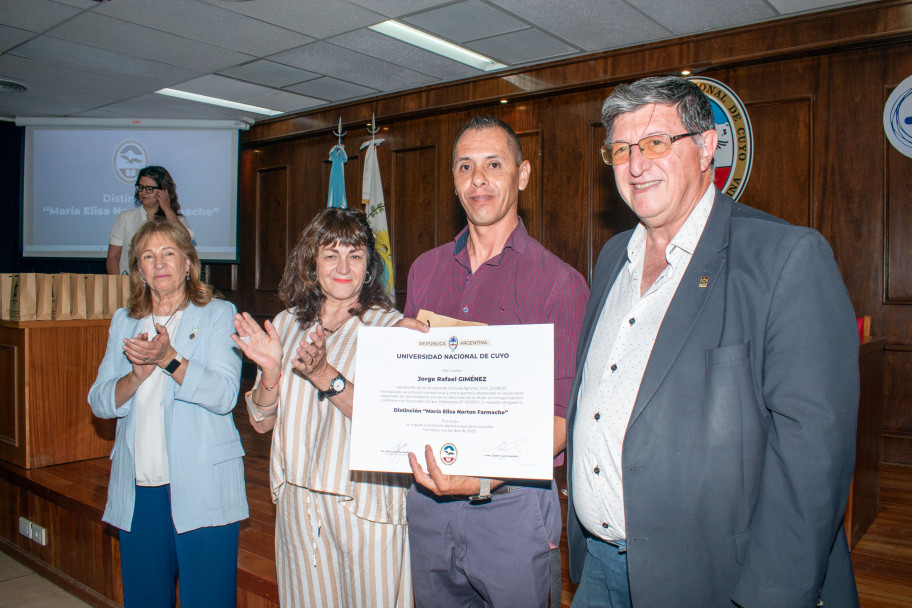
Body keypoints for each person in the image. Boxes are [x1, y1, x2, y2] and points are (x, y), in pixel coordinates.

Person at [566, 76, 860, 607]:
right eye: (620, 149)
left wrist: (770, 595)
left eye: (656, 142)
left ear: (705, 147)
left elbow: (814, 457)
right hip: (600, 571)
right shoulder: (613, 257)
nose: (636, 164)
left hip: (716, 581)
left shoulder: (786, 257)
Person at [401, 115, 589, 607]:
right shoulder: (425, 269)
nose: (478, 179)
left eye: (493, 164)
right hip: (427, 504)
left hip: (512, 509)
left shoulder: (559, 283)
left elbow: (565, 416)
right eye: (465, 166)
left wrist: (481, 477)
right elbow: (411, 393)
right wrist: (401, 357)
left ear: (522, 175)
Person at [233, 207, 412, 608]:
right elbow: (261, 422)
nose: (343, 266)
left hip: (364, 507)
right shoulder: (285, 323)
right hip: (298, 505)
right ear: (312, 264)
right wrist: (270, 372)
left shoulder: (391, 329)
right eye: (331, 254)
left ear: (369, 266)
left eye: (355, 254)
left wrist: (323, 374)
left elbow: (392, 424)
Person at [88, 219, 247, 608]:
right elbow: (100, 401)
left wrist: (170, 360)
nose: (159, 264)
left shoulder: (218, 314)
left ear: (188, 263)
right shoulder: (124, 321)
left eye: (169, 253)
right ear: (139, 269)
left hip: (204, 485)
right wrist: (137, 375)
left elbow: (224, 395)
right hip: (140, 489)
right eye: (148, 256)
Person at [107, 166, 194, 275]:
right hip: (129, 283)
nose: (143, 192)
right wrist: (118, 285)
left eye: (149, 189)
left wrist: (166, 208)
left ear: (163, 191)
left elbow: (185, 238)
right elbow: (113, 257)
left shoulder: (175, 219)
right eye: (140, 187)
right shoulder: (125, 217)